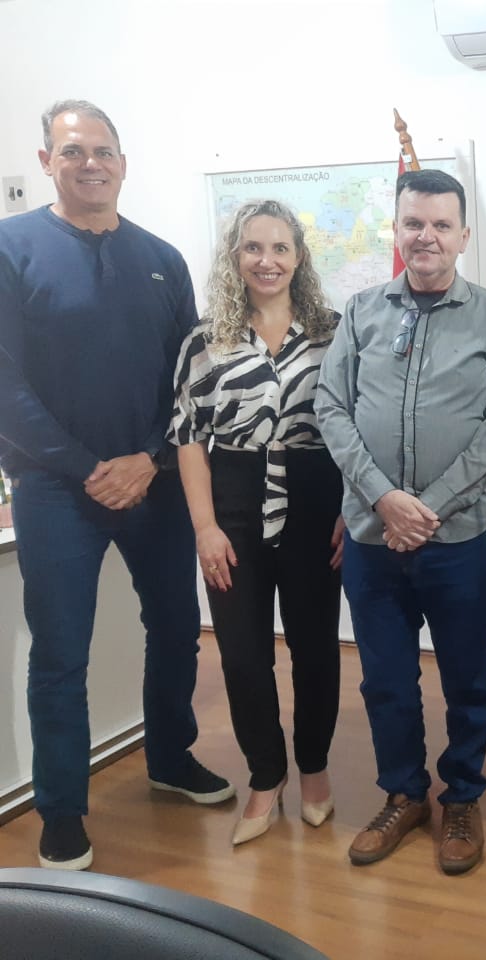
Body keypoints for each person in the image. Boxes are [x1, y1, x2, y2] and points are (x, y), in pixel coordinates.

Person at [0, 100, 233, 871]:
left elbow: (190, 381)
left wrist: (147, 460)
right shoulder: (12, 248)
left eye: (103, 151)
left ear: (124, 163)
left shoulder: (161, 257)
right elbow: (5, 385)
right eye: (73, 152)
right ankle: (61, 812)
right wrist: (86, 468)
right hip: (55, 489)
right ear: (46, 163)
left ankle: (170, 758)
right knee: (60, 652)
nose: (90, 163)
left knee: (174, 629)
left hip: (155, 481)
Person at [316, 168, 486, 875]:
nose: (424, 236)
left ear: (463, 236)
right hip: (373, 541)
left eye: (439, 225)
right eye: (412, 223)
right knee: (386, 681)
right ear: (395, 231)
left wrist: (425, 507)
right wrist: (382, 499)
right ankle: (405, 794)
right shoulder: (363, 309)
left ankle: (462, 795)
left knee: (468, 680)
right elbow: (331, 409)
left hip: (456, 540)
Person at [170, 200, 344, 846]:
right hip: (233, 502)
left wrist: (351, 510)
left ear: (299, 257)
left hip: (315, 497)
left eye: (279, 248)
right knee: (242, 657)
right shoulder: (205, 336)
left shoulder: (333, 330)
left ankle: (317, 770)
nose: (266, 261)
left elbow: (357, 424)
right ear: (235, 256)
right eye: (253, 248)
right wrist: (205, 527)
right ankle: (266, 777)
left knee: (316, 650)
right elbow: (187, 437)